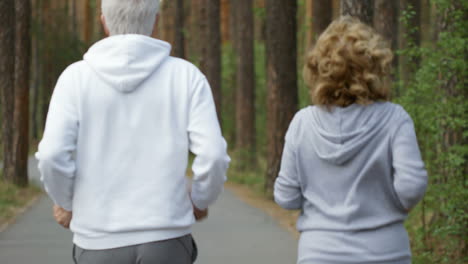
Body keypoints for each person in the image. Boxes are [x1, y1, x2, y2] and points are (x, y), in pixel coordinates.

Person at [36, 0, 230, 263]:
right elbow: (214, 155)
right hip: (167, 237)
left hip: (96, 240)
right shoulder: (187, 76)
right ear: (155, 22)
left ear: (103, 21)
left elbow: (51, 155)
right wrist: (199, 199)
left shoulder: (74, 78)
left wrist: (68, 204)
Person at [274, 16, 428, 264]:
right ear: (374, 66)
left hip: (319, 253)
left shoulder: (302, 123)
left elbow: (286, 196)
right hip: (385, 252)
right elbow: (411, 186)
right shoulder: (394, 119)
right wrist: (384, 209)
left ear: (318, 69)